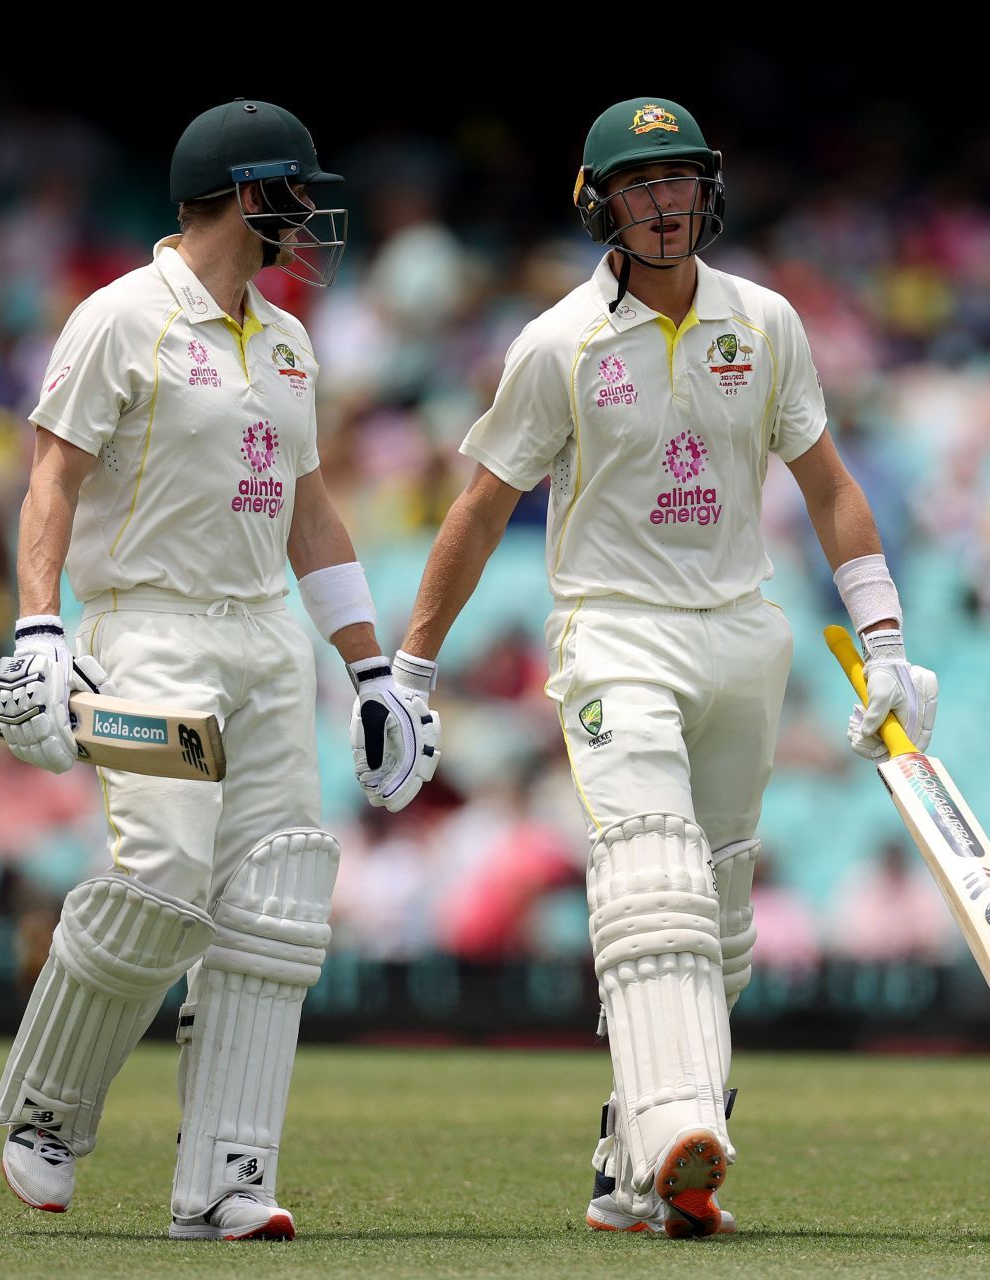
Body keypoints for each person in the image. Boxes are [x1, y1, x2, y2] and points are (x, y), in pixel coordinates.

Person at [388, 97, 937, 1238]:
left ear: (708, 188)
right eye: (641, 185)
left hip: (744, 633)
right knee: (655, 875)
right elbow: (484, 508)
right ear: (599, 203)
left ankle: (631, 1154)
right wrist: (412, 666)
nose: (665, 203)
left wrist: (886, 641)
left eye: (680, 179)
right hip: (616, 634)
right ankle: (685, 1125)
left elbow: (827, 484)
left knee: (722, 919)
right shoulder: (557, 346)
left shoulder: (765, 322)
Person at [0, 99, 434, 1243]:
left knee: (276, 902)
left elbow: (310, 508)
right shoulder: (118, 318)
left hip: (266, 640)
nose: (310, 217)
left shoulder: (285, 338)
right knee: (167, 877)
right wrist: (40, 627)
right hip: (152, 632)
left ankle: (225, 1176)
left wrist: (369, 668)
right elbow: (52, 479)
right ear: (251, 195)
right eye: (297, 193)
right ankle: (45, 1104)